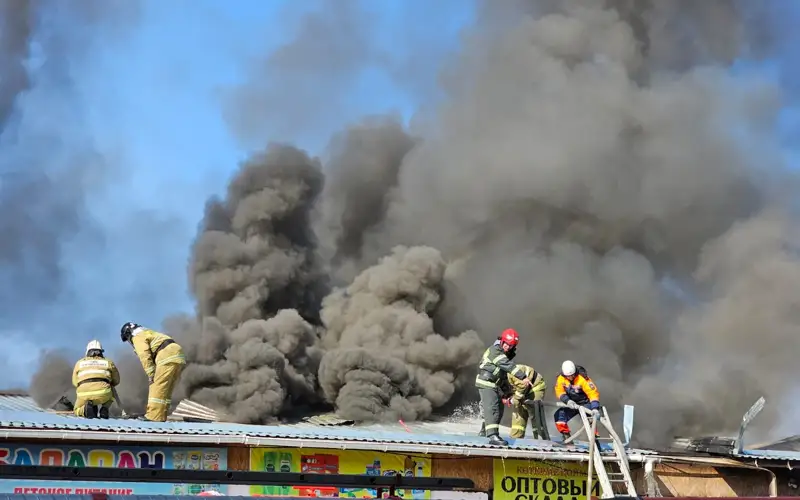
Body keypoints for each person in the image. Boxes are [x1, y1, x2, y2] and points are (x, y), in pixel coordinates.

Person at [474, 328, 533, 446]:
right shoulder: (495, 351)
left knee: (499, 410)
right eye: (506, 344)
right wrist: (523, 377)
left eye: (510, 346)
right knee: (493, 408)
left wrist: (507, 393)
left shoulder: (503, 354)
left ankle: (484, 432)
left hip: (494, 384)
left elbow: (502, 376)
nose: (507, 347)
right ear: (502, 341)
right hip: (486, 383)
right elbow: (508, 366)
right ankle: (492, 436)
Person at [120, 322, 186, 422]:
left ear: (129, 333)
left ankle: (153, 417)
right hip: (177, 354)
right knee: (165, 390)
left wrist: (151, 374)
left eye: (127, 338)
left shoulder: (137, 336)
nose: (129, 341)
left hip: (166, 355)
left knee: (156, 385)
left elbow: (144, 355)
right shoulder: (148, 332)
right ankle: (161, 416)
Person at [553, 360, 601, 440]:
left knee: (590, 420)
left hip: (585, 403)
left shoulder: (583, 378)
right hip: (572, 403)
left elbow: (592, 393)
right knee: (559, 416)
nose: (569, 378)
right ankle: (566, 436)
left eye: (572, 375)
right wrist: (567, 401)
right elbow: (559, 391)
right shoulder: (561, 378)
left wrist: (595, 408)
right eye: (567, 376)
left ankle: (595, 440)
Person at [72, 340, 120, 419]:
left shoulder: (79, 363)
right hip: (104, 394)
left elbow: (75, 382)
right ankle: (105, 408)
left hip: (83, 394)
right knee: (112, 392)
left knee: (76, 410)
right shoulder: (108, 362)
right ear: (101, 352)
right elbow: (117, 380)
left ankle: (85, 410)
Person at [508, 364, 548, 439]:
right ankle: (515, 438)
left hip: (534, 387)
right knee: (518, 414)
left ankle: (540, 439)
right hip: (522, 389)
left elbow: (523, 386)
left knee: (534, 413)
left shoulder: (510, 374)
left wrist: (515, 399)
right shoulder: (502, 377)